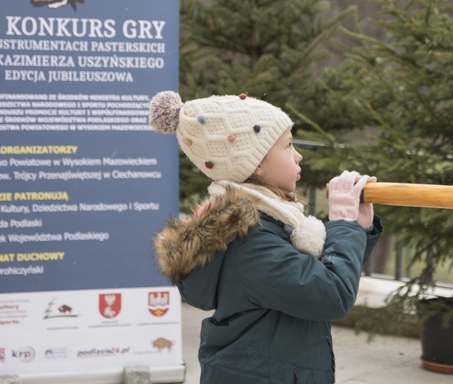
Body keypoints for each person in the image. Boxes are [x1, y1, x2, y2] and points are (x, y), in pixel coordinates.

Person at [150, 91, 381, 384]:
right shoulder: (252, 243)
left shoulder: (266, 224)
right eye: (288, 145)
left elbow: (320, 278)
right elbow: (332, 295)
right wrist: (343, 224)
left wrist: (357, 229)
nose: (298, 155)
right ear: (256, 165)